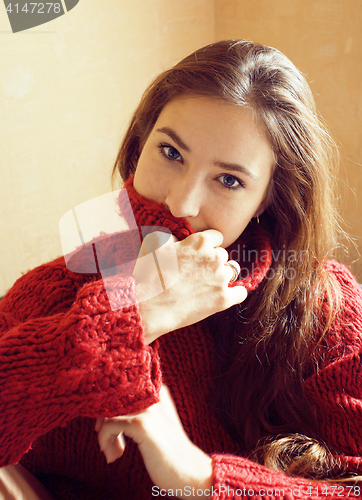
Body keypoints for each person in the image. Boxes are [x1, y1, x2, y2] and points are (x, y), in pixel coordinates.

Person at [0, 39, 361, 500]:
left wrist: (196, 478)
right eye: (170, 153)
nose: (180, 202)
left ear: (267, 198)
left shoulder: (326, 308)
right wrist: (133, 317)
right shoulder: (51, 295)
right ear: (140, 143)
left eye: (229, 180)